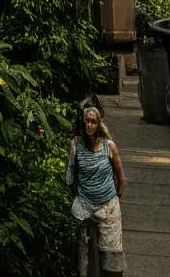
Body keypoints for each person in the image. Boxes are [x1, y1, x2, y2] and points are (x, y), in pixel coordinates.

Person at [66, 98, 126, 275]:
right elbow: (70, 175)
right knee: (84, 256)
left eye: (93, 122)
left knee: (112, 254)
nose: (89, 125)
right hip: (85, 207)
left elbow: (120, 177)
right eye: (87, 121)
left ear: (99, 124)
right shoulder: (76, 145)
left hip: (108, 207)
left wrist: (116, 194)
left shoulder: (109, 146)